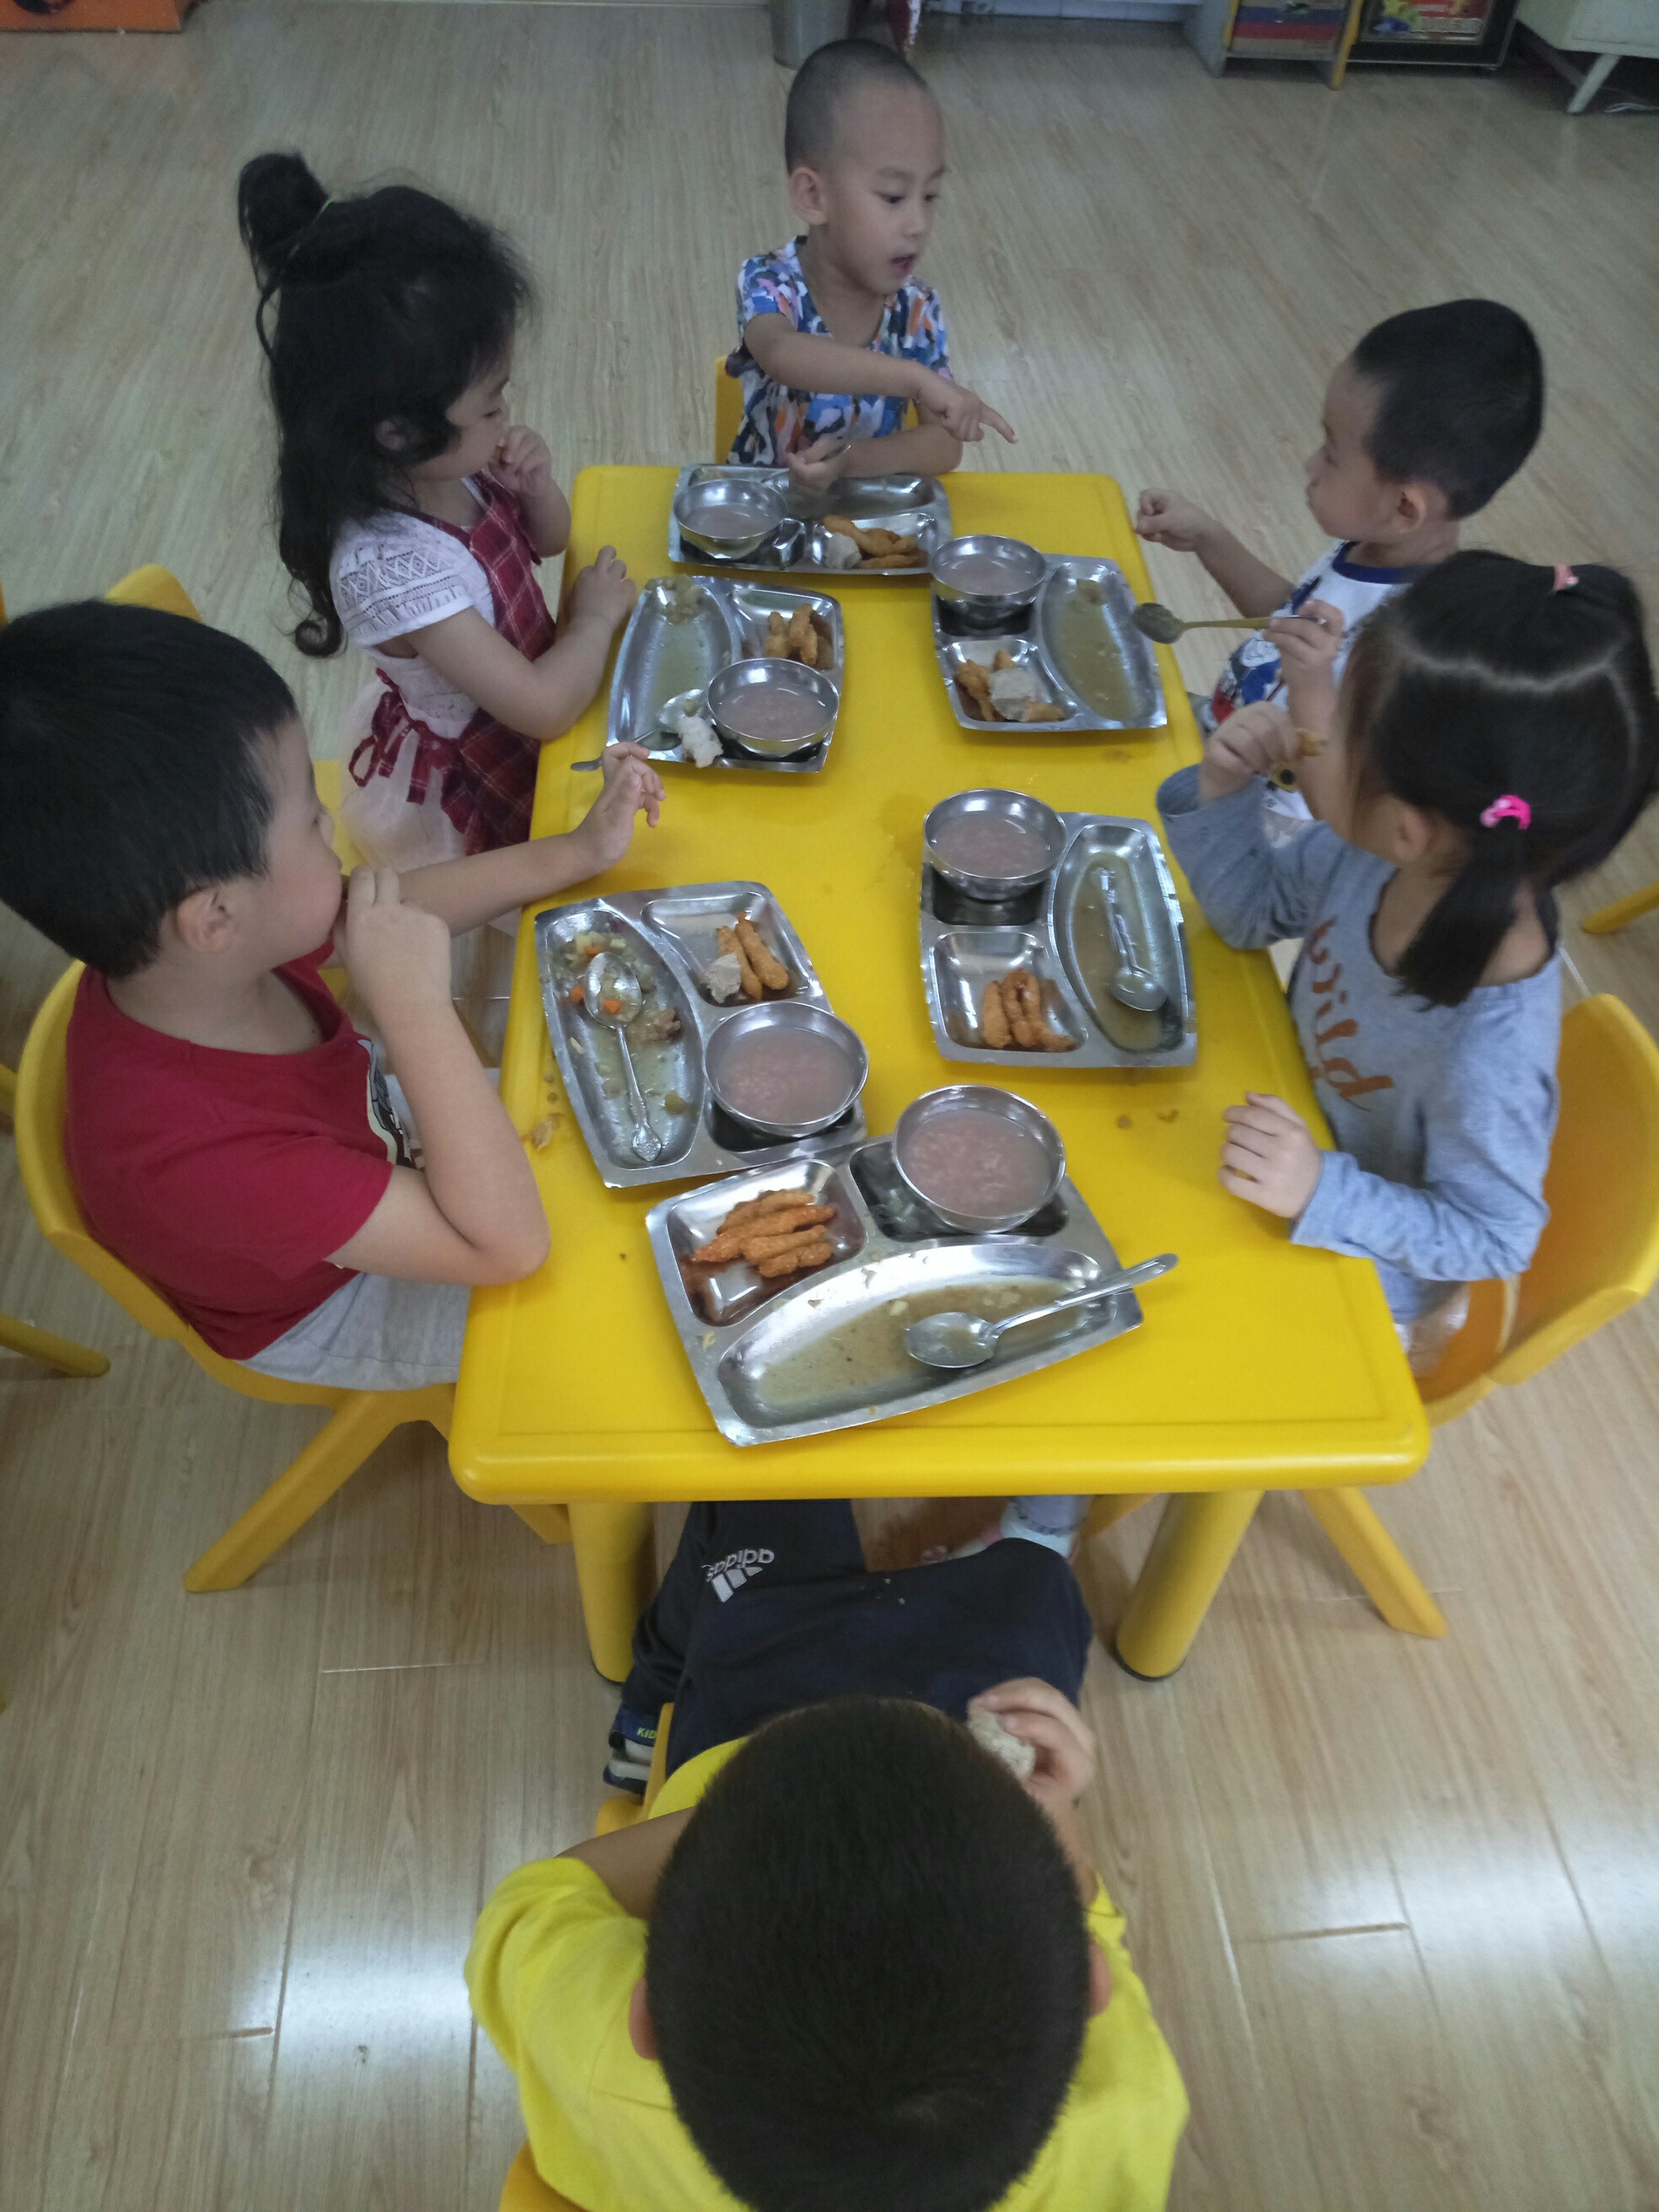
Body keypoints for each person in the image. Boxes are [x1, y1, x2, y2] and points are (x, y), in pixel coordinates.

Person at [0, 600, 663, 1390]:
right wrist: (416, 1009)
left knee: (617, 1113)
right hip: (334, 1300)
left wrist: (576, 853)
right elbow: (507, 1247)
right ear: (215, 917)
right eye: (312, 822)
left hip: (367, 1141)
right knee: (613, 1302)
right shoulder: (200, 1161)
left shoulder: (198, 957)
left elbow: (393, 908)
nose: (331, 828)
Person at [468, 1500, 1189, 2212]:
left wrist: (741, 1816)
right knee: (1039, 1586)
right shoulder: (1126, 2117)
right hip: (954, 1725)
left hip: (754, 1712)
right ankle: (1025, 1547)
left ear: (647, 2020)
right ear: (1092, 1985)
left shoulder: (600, 2066)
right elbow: (1088, 1919)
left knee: (765, 1502)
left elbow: (528, 1906)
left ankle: (642, 1723)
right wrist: (1051, 1815)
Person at [1157, 553, 1659, 1372]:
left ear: (1408, 824)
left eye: (1339, 728)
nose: (1311, 731)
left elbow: (1493, 1236)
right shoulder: (1386, 858)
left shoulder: (1489, 1052)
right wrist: (1222, 790)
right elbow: (1250, 917)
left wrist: (1319, 1188)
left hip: (1351, 1268)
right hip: (1274, 1133)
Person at [238, 152, 637, 872]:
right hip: (476, 790)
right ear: (397, 431)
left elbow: (550, 542)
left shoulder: (452, 463)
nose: (505, 417)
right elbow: (543, 707)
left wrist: (537, 488)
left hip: (538, 714)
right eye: (489, 404)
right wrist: (594, 622)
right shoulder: (393, 570)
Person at [1136, 299, 1545, 836]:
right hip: (1215, 742)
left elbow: (1349, 795)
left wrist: (1311, 688)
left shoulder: (1419, 639)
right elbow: (1287, 621)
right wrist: (1212, 540)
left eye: (1331, 454)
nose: (1310, 465)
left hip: (1262, 823)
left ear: (1404, 508)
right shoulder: (1369, 544)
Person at [727, 40, 1015, 490]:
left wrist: (850, 461)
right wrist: (917, 381)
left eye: (930, 196)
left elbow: (944, 445)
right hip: (764, 511)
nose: (918, 224)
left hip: (870, 516)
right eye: (893, 197)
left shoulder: (916, 307)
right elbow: (783, 354)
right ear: (814, 196)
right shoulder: (769, 281)